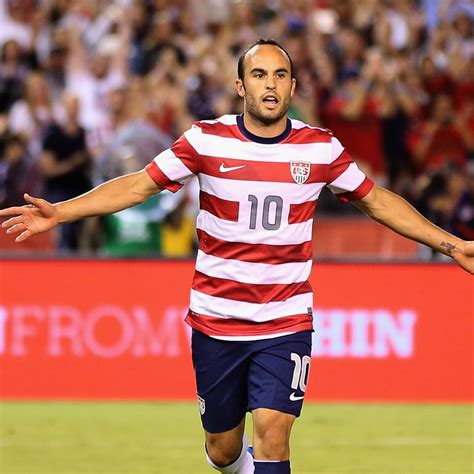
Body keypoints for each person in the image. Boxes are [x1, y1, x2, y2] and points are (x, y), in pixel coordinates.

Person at [1, 39, 473, 474]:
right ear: (240, 85)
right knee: (222, 448)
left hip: (284, 318)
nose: (271, 84)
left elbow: (378, 200)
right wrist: (60, 213)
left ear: (293, 85)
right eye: (260, 74)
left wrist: (450, 244)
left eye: (281, 75)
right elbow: (138, 184)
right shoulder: (206, 141)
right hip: (216, 319)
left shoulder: (320, 147)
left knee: (274, 434)